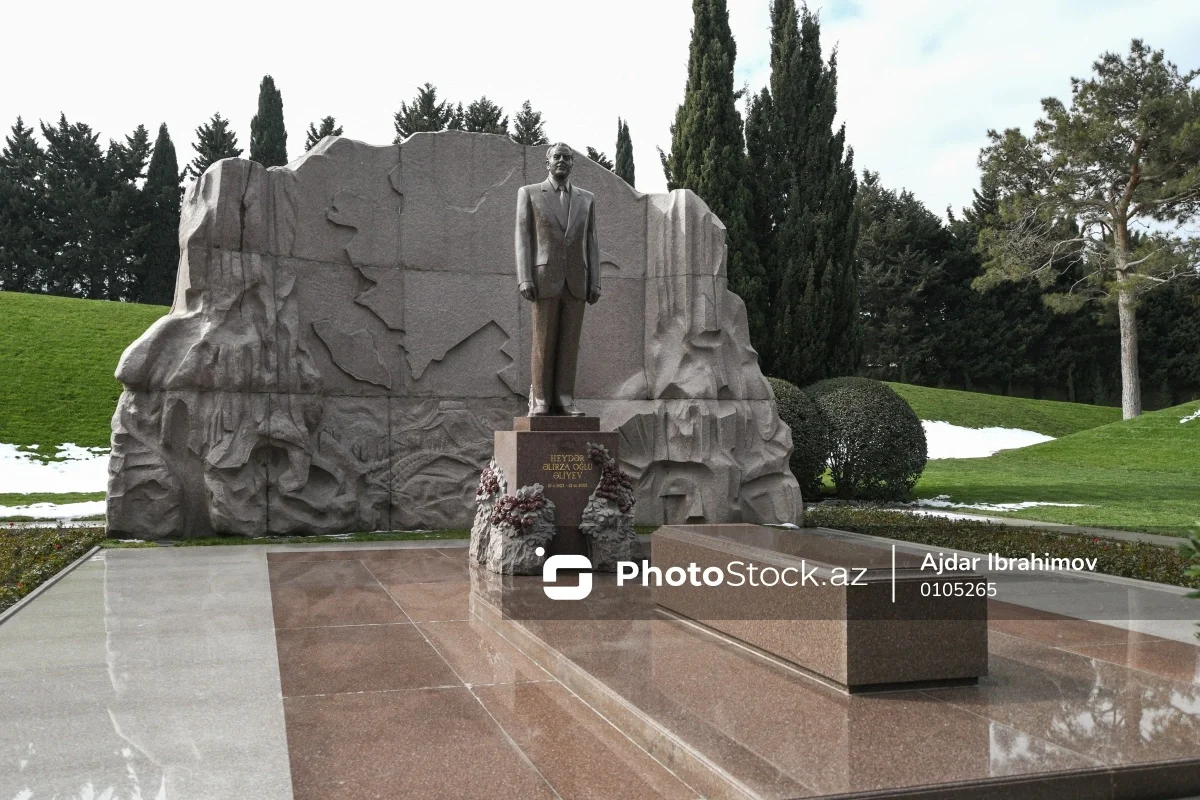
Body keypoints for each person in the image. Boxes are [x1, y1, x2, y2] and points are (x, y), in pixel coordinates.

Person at [514, 143, 601, 416]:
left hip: (576, 280)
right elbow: (523, 237)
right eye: (557, 157)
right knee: (543, 340)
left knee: (569, 342)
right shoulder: (529, 193)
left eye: (567, 158)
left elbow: (592, 242)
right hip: (543, 279)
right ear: (547, 163)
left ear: (573, 164)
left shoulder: (587, 199)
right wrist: (524, 277)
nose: (562, 161)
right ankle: (540, 400)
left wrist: (595, 281)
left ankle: (564, 398)